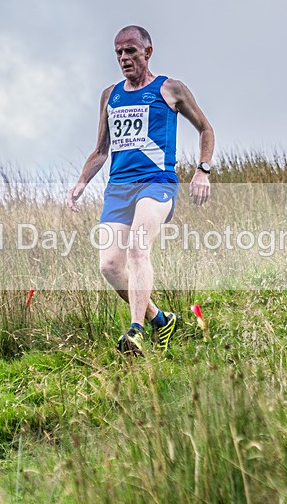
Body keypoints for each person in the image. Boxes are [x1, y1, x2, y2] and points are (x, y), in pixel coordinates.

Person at [66, 25, 214, 356]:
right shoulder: (110, 95)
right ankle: (161, 319)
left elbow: (205, 128)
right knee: (109, 267)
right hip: (119, 189)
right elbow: (101, 149)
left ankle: (136, 331)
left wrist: (202, 170)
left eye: (130, 51)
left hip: (156, 183)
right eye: (118, 52)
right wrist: (81, 182)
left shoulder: (170, 89)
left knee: (137, 247)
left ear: (147, 52)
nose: (124, 57)